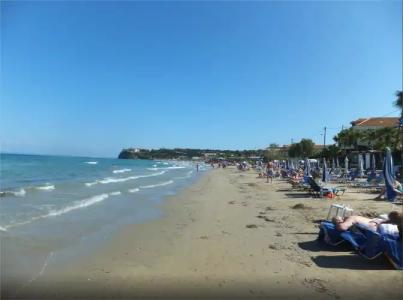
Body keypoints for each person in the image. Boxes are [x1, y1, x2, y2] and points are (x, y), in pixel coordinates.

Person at [332, 211, 402, 238]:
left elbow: (342, 227)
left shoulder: (351, 218)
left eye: (338, 221)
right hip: (381, 225)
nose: (339, 222)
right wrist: (381, 222)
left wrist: (337, 225)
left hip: (384, 229)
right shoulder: (355, 217)